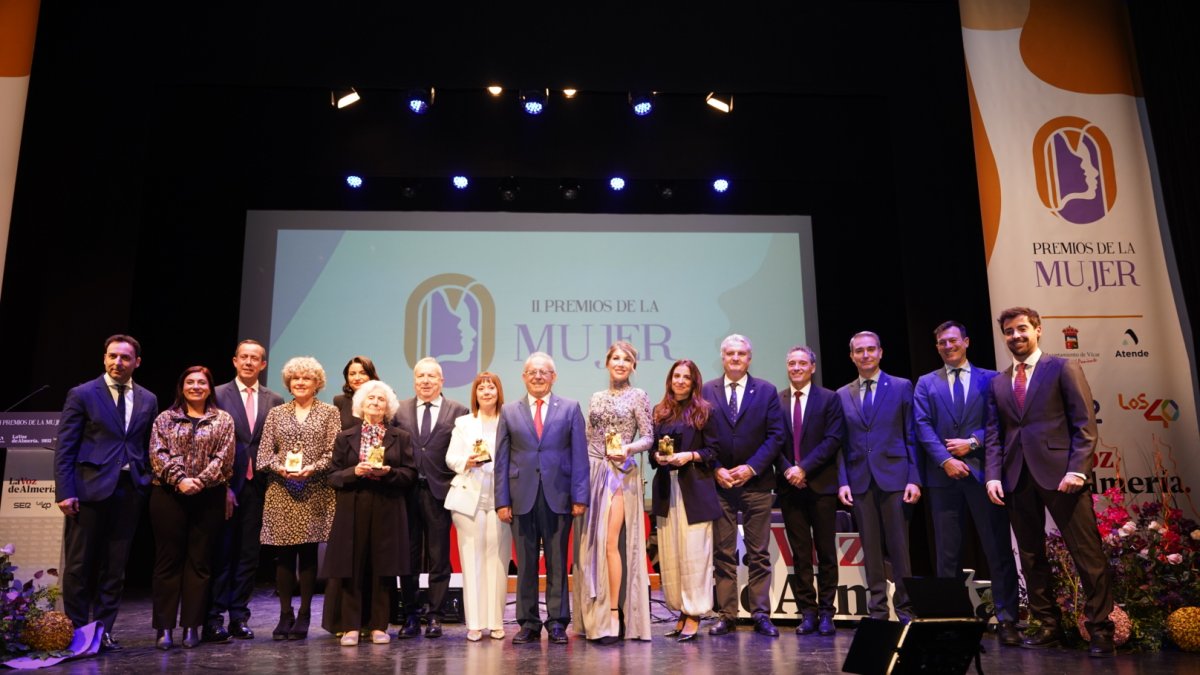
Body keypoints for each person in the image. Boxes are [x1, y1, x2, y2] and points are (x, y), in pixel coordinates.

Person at [984, 307, 1114, 657]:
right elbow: (995, 434)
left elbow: (1084, 424)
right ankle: (1047, 625)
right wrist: (993, 475)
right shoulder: (999, 382)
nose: (1015, 336)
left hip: (1062, 476)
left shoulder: (1062, 368)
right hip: (1016, 476)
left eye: (1021, 328)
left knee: (1086, 553)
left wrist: (1078, 469)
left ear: (1038, 330)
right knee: (1030, 555)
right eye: (1009, 331)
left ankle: (1101, 628)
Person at [913, 321, 1020, 646]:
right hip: (943, 478)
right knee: (947, 555)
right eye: (941, 343)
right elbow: (922, 426)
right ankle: (950, 620)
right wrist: (946, 460)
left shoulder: (992, 379)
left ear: (967, 342)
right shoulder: (926, 383)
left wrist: (972, 443)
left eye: (953, 340)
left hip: (985, 475)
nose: (948, 346)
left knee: (997, 549)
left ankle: (1007, 619)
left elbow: (1002, 421)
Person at [53, 334, 159, 651]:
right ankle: (77, 632)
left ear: (137, 362)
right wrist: (65, 491)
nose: (118, 362)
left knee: (114, 568)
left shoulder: (148, 398)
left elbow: (147, 444)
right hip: (88, 490)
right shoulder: (83, 394)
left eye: (125, 357)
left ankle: (102, 632)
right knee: (79, 566)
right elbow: (66, 448)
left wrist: (145, 478)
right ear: (104, 358)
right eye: (112, 356)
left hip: (129, 491)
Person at [495, 352, 589, 645]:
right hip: (521, 497)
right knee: (525, 564)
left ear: (553, 376)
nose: (538, 376)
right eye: (532, 372)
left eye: (544, 372)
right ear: (524, 377)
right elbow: (501, 459)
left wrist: (580, 496)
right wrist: (502, 501)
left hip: (558, 496)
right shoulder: (509, 411)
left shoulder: (570, 408)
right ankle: (528, 623)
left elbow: (580, 456)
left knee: (557, 562)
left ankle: (558, 622)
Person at [701, 334, 786, 637]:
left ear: (749, 358)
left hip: (757, 483)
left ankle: (761, 614)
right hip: (720, 484)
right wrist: (716, 469)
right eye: (730, 353)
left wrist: (751, 467)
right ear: (722, 357)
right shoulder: (706, 390)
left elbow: (776, 435)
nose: (735, 358)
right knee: (723, 553)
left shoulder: (766, 390)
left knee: (758, 553)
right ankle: (727, 615)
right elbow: (700, 436)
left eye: (741, 354)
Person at [322, 380, 417, 646]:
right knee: (351, 565)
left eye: (381, 399)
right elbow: (333, 476)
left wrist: (389, 472)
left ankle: (378, 626)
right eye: (371, 398)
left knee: (383, 567)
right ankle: (351, 627)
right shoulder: (345, 437)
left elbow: (410, 474)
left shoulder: (400, 437)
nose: (375, 403)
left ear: (388, 407)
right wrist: (354, 472)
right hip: (353, 505)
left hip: (388, 505)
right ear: (361, 404)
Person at [148, 366, 235, 650]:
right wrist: (181, 480)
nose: (196, 386)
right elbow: (157, 454)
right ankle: (164, 629)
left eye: (201, 382)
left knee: (199, 563)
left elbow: (224, 457)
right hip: (168, 495)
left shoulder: (223, 419)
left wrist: (200, 481)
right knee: (168, 562)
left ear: (210, 388)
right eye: (190, 382)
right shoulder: (165, 418)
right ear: (181, 387)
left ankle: (191, 627)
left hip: (208, 496)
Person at [836, 331, 921, 622]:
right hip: (860, 480)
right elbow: (840, 444)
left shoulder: (900, 386)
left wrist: (914, 478)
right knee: (870, 549)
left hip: (896, 478)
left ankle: (905, 608)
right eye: (859, 351)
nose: (865, 355)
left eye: (871, 349)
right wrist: (843, 481)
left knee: (899, 548)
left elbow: (912, 435)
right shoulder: (842, 394)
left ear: (881, 352)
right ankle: (878, 610)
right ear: (852, 356)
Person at [206, 339, 285, 643]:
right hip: (224, 484)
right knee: (221, 552)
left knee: (248, 555)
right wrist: (222, 482)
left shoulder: (274, 399)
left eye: (255, 358)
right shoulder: (217, 394)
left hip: (259, 485)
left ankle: (239, 616)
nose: (249, 362)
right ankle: (214, 617)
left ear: (263, 364)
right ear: (235, 361)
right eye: (244, 357)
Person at [573, 341, 653, 643]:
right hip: (593, 472)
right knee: (590, 545)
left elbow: (648, 437)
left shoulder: (638, 395)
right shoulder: (596, 397)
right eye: (616, 358)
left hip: (619, 473)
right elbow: (588, 437)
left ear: (633, 366)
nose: (620, 363)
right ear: (607, 363)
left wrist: (627, 449)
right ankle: (591, 616)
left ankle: (614, 614)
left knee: (609, 543)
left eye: (627, 360)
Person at [256, 356, 340, 641]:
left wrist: (311, 469)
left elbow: (333, 452)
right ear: (288, 383)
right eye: (295, 378)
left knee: (307, 554)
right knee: (283, 556)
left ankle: (304, 614)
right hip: (281, 490)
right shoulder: (276, 413)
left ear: (317, 384)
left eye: (306, 378)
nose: (300, 382)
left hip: (314, 489)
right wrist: (281, 468)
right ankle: (285, 614)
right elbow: (264, 454)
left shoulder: (329, 412)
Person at [392, 357, 469, 638]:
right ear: (414, 380)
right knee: (408, 558)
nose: (425, 381)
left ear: (441, 381)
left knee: (439, 558)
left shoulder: (458, 411)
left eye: (431, 376)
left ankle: (435, 616)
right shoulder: (398, 410)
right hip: (406, 492)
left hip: (440, 492)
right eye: (420, 376)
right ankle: (411, 616)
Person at [774, 345, 846, 636]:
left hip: (821, 485)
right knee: (801, 554)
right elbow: (773, 441)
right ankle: (808, 612)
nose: (796, 368)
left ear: (812, 367)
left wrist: (803, 468)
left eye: (802, 363)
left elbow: (833, 439)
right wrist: (788, 470)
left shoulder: (829, 398)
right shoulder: (776, 400)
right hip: (789, 488)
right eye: (792, 363)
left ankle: (827, 612)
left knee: (826, 552)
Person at [649, 359, 720, 642]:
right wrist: (657, 457)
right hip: (667, 491)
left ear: (694, 382)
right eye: (676, 376)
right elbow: (653, 449)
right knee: (671, 556)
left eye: (686, 377)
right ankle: (681, 610)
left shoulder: (705, 411)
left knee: (695, 555)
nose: (680, 381)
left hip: (695, 492)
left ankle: (694, 613)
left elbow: (714, 451)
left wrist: (689, 456)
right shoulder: (660, 411)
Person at [443, 372, 512, 642]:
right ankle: (474, 623)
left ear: (498, 392)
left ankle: (495, 622)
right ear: (475, 394)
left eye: (491, 387)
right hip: (468, 497)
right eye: (481, 388)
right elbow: (451, 458)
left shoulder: (509, 420)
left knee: (498, 559)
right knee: (471, 559)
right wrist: (467, 461)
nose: (486, 392)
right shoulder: (463, 423)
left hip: (501, 498)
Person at [333, 356, 380, 431]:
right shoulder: (339, 401)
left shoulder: (382, 399)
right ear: (347, 378)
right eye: (352, 374)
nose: (357, 378)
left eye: (363, 373)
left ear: (371, 376)